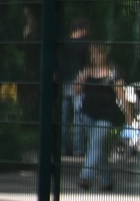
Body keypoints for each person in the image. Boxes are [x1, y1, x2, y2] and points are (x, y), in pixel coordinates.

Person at [74, 44, 133, 191]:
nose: (96, 57)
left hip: (106, 115)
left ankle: (85, 177)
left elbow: (121, 94)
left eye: (99, 54)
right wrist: (81, 77)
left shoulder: (114, 73)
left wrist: (129, 114)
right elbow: (76, 91)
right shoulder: (87, 72)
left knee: (95, 144)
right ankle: (107, 181)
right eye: (93, 54)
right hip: (87, 114)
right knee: (98, 147)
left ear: (105, 55)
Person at [57, 18, 91, 157]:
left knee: (64, 117)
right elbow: (88, 65)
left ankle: (64, 148)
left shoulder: (64, 43)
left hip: (64, 81)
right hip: (79, 83)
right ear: (82, 29)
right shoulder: (85, 45)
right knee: (78, 117)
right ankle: (78, 149)